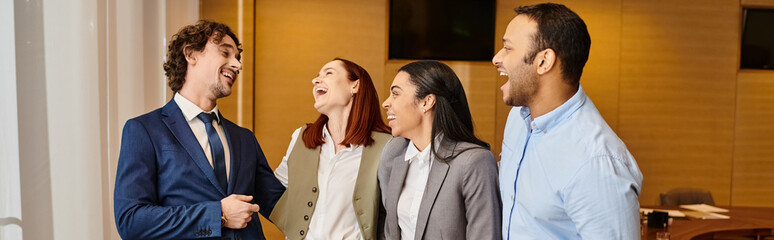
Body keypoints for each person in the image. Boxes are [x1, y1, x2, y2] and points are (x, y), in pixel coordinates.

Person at [113, 20, 285, 239]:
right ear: (191, 54)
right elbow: (131, 221)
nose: (238, 65)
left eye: (238, 58)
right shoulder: (143, 130)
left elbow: (284, 209)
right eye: (225, 53)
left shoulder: (245, 139)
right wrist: (218, 214)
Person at [492, 3, 643, 239]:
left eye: (507, 48)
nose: (496, 58)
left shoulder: (596, 161)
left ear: (544, 61)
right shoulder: (518, 119)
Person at [270, 58, 392, 240]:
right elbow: (276, 188)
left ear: (355, 86)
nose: (315, 80)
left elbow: (393, 211)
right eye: (317, 76)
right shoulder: (301, 137)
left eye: (328, 73)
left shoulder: (386, 145)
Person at [379, 60, 501, 240]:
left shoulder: (474, 161)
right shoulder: (394, 152)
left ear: (427, 102)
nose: (386, 103)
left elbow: (485, 235)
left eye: (395, 93)